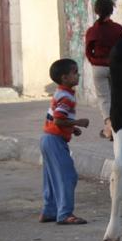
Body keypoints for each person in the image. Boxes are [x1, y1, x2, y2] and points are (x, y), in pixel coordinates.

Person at [39, 59, 90, 225]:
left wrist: (71, 129)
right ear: (64, 78)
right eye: (75, 72)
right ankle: (65, 214)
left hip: (48, 138)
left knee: (51, 177)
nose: (78, 75)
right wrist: (77, 123)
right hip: (54, 140)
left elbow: (58, 118)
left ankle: (49, 211)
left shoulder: (61, 92)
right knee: (67, 176)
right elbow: (59, 120)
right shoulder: (67, 96)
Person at [84, 0, 122, 140]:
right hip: (115, 67)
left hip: (98, 67)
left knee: (104, 98)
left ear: (96, 11)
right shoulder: (118, 28)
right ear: (111, 10)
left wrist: (94, 61)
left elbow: (88, 52)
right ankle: (115, 127)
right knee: (116, 96)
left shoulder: (92, 31)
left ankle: (108, 126)